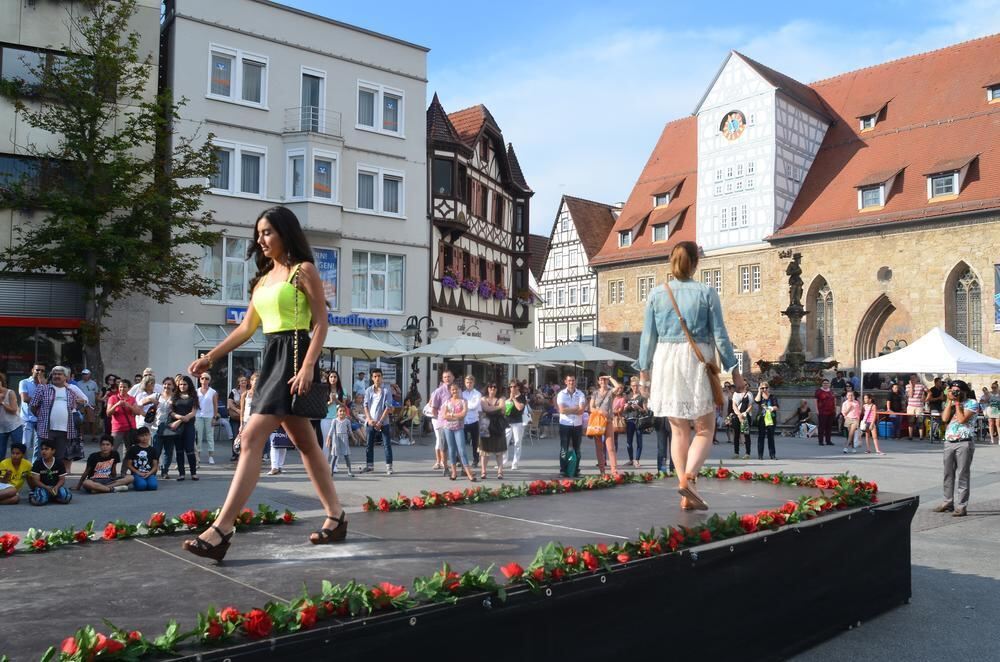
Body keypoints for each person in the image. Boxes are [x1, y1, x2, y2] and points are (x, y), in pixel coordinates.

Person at [183, 206, 346, 560]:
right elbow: (246, 328)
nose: (261, 239)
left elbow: (321, 323)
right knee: (305, 443)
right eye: (258, 233)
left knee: (253, 436)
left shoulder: (304, 271)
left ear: (285, 233)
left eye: (268, 232)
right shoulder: (262, 281)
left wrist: (307, 367)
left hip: (295, 356)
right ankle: (336, 515)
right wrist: (210, 356)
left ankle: (222, 528)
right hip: (273, 358)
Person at [637, 242, 744, 511]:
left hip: (665, 360)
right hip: (698, 359)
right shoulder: (706, 292)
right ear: (696, 263)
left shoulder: (657, 294)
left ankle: (687, 492)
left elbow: (647, 337)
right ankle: (690, 478)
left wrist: (644, 375)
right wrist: (735, 370)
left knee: (678, 430)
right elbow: (720, 335)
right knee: (705, 428)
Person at [933, 380, 979, 517]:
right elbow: (945, 418)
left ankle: (961, 506)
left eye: (957, 391)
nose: (954, 393)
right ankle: (947, 502)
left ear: (964, 391)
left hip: (964, 442)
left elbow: (962, 419)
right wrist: (949, 402)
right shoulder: (951, 402)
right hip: (949, 441)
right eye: (952, 390)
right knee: (948, 474)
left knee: (963, 475)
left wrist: (957, 403)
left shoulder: (972, 403)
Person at [30, 366, 88, 474]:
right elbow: (33, 406)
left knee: (59, 457)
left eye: (59, 374)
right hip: (46, 430)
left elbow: (83, 402)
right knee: (42, 456)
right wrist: (42, 418)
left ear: (66, 377)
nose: (56, 376)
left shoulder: (71, 391)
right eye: (55, 374)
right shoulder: (43, 388)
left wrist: (82, 402)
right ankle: (38, 481)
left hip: (65, 430)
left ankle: (55, 481)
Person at [362, 368, 394, 475]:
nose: (377, 378)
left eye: (379, 376)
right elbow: (365, 406)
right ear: (372, 378)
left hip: (383, 422)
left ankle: (389, 466)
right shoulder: (368, 390)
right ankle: (369, 466)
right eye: (375, 376)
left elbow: (388, 406)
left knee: (386, 444)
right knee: (369, 444)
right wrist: (369, 419)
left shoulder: (387, 390)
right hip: (371, 421)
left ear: (382, 377)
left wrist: (380, 421)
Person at [442, 382, 475, 482]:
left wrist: (451, 415)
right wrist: (456, 415)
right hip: (448, 428)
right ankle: (454, 472)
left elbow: (463, 414)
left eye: (456, 389)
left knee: (462, 450)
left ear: (459, 390)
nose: (455, 391)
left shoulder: (463, 401)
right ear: (450, 391)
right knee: (451, 450)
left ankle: (469, 473)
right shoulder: (447, 401)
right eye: (452, 390)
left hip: (459, 428)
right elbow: (444, 416)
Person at [556, 375, 586, 477]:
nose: (571, 382)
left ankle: (576, 469)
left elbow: (581, 410)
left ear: (575, 381)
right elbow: (561, 410)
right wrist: (575, 409)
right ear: (565, 381)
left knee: (577, 448)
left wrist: (568, 409)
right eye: (569, 380)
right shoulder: (561, 394)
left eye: (573, 380)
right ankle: (562, 470)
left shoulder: (580, 394)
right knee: (564, 449)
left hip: (577, 425)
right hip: (565, 424)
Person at [590, 373, 619, 476]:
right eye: (601, 380)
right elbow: (591, 408)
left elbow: (618, 387)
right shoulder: (595, 393)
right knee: (599, 447)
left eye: (605, 380)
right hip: (598, 421)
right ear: (598, 381)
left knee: (610, 447)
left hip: (608, 421)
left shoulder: (610, 392)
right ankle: (602, 471)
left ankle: (614, 470)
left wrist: (610, 377)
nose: (603, 382)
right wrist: (600, 412)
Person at [170, 375, 199, 481]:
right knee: (179, 450)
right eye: (181, 384)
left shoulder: (193, 396)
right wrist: (179, 418)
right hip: (177, 427)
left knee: (190, 449)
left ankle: (193, 473)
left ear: (189, 385)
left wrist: (184, 418)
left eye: (184, 384)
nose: (182, 386)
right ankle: (181, 473)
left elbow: (194, 412)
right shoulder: (175, 397)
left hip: (189, 426)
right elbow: (171, 412)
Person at [28, 439, 72, 505]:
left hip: (55, 487)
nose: (44, 451)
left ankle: (51, 497)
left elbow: (62, 479)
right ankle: (33, 495)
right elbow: (36, 481)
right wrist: (46, 487)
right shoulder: (37, 463)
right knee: (40, 500)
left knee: (66, 497)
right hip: (43, 487)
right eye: (42, 449)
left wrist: (56, 487)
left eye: (46, 449)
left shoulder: (59, 463)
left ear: (53, 451)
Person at [107, 379, 141, 461]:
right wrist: (116, 405)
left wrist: (129, 406)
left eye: (124, 387)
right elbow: (108, 413)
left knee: (128, 452)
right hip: (117, 429)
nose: (122, 389)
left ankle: (123, 472)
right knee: (111, 451)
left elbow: (137, 412)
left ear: (129, 388)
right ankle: (110, 470)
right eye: (120, 387)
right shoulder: (113, 398)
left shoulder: (132, 399)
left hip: (130, 429)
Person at [479, 383, 508, 479]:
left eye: (495, 387)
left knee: (499, 450)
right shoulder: (483, 398)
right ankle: (483, 472)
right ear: (487, 388)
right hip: (485, 425)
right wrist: (498, 407)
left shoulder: (502, 398)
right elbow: (486, 408)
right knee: (484, 451)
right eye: (491, 387)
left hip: (498, 425)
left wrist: (492, 409)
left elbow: (504, 409)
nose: (492, 388)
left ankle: (500, 472)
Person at [19, 363, 46, 462]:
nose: (40, 372)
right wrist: (41, 400)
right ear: (32, 370)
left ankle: (35, 466)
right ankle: (24, 464)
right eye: (37, 370)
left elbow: (48, 399)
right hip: (27, 418)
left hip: (40, 418)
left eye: (42, 371)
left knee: (38, 445)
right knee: (25, 444)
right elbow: (25, 398)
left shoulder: (45, 384)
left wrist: (42, 384)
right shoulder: (24, 382)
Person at [152, 378, 177, 478]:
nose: (167, 386)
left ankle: (165, 470)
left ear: (173, 386)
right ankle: (153, 471)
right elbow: (140, 402)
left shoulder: (176, 398)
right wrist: (151, 403)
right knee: (156, 451)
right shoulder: (157, 396)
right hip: (157, 427)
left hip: (170, 427)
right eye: (165, 384)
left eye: (169, 384)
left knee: (168, 451)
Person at [429, 370, 454, 471]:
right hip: (440, 420)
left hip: (453, 420)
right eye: (445, 377)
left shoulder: (455, 390)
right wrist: (440, 421)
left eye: (449, 376)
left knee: (450, 442)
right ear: (442, 379)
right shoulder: (438, 391)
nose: (447, 379)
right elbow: (434, 408)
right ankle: (439, 462)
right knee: (440, 441)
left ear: (453, 377)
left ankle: (447, 462)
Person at [194, 373, 219, 465]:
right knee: (198, 437)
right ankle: (198, 456)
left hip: (209, 416)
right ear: (200, 380)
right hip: (198, 416)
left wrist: (214, 417)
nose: (204, 380)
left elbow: (215, 406)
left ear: (209, 380)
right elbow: (194, 404)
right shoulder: (196, 391)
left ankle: (211, 456)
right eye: (202, 378)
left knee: (210, 436)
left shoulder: (213, 392)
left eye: (206, 378)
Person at [124, 427, 159, 491]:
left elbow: (155, 465)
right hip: (137, 473)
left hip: (149, 473)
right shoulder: (133, 449)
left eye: (146, 435)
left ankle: (146, 481)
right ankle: (138, 482)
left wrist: (150, 473)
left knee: (153, 486)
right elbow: (129, 465)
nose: (144, 437)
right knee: (141, 486)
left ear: (149, 435)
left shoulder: (153, 449)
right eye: (142, 436)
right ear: (138, 437)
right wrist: (138, 472)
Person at [623, 376, 647, 468]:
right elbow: (624, 411)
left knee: (639, 441)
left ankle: (636, 460)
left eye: (636, 386)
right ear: (631, 386)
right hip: (630, 421)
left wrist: (639, 408)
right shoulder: (629, 397)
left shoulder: (642, 398)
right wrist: (626, 407)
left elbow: (646, 411)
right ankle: (630, 459)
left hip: (639, 421)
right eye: (633, 386)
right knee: (629, 442)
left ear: (639, 386)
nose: (635, 388)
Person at [0, 372, 24, 459]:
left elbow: (14, 410)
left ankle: (20, 470)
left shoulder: (10, 393)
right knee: (0, 453)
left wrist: (2, 403)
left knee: (18, 449)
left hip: (14, 425)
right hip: (1, 428)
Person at [503, 381, 527, 470]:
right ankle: (503, 461)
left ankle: (515, 463)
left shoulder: (522, 397)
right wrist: (509, 399)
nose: (512, 388)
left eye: (514, 386)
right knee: (505, 442)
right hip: (507, 422)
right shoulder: (508, 396)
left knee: (517, 442)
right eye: (510, 387)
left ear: (518, 387)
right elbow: (504, 409)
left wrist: (513, 399)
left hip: (517, 422)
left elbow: (520, 407)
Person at [325, 404, 354, 477]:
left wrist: (353, 438)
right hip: (336, 439)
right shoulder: (334, 420)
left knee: (346, 456)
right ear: (337, 413)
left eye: (344, 411)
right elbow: (331, 430)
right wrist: (328, 439)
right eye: (340, 411)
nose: (342, 412)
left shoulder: (347, 421)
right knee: (334, 456)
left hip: (344, 439)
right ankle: (331, 472)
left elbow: (350, 431)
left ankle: (349, 471)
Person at [755, 382, 779, 460]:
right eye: (762, 388)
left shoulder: (772, 397)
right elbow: (757, 401)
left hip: (771, 419)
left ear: (769, 388)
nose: (764, 389)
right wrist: (759, 391)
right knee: (761, 436)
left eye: (766, 388)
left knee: (771, 437)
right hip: (762, 419)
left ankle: (772, 455)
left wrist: (771, 408)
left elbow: (777, 407)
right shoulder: (760, 396)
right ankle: (760, 455)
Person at [462, 375, 482, 465]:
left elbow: (475, 406)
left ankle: (476, 460)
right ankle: (460, 459)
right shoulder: (462, 394)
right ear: (465, 383)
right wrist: (467, 405)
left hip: (474, 420)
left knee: (475, 442)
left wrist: (465, 405)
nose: (469, 384)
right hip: (464, 420)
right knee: (462, 441)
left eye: (470, 382)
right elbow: (460, 406)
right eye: (467, 382)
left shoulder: (477, 394)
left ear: (473, 383)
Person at [227, 375, 248, 461]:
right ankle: (235, 454)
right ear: (238, 383)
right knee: (236, 435)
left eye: (245, 381)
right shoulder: (234, 392)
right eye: (241, 381)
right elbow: (230, 403)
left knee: (246, 436)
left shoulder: (249, 392)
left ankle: (244, 454)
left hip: (246, 417)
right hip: (235, 417)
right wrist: (237, 410)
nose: (243, 382)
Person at [76, 369, 100, 442]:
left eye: (86, 374)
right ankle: (81, 436)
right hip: (81, 405)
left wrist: (96, 405)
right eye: (83, 374)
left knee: (92, 421)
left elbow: (96, 394)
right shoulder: (78, 383)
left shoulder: (93, 383)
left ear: (89, 375)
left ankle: (94, 436)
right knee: (81, 421)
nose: (85, 375)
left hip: (91, 404)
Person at [730, 382, 752, 458]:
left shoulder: (749, 394)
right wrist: (739, 415)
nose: (745, 386)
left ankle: (747, 453)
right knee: (736, 434)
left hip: (745, 416)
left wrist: (745, 413)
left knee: (746, 435)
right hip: (737, 416)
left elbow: (750, 406)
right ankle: (736, 453)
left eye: (746, 384)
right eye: (744, 384)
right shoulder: (736, 394)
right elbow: (734, 405)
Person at [814, 378, 836, 447]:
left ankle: (828, 440)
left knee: (829, 427)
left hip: (831, 411)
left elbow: (834, 399)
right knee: (822, 427)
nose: (825, 384)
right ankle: (821, 441)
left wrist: (835, 408)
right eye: (824, 383)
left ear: (829, 384)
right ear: (822, 384)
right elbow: (815, 401)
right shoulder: (819, 391)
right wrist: (816, 410)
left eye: (827, 383)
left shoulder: (831, 391)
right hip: (822, 411)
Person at [905, 374, 927, 441]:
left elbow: (929, 392)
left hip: (919, 406)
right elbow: (910, 395)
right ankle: (910, 436)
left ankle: (921, 436)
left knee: (920, 421)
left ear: (917, 378)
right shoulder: (908, 386)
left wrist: (925, 399)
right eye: (911, 378)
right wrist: (911, 386)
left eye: (914, 378)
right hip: (911, 406)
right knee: (910, 421)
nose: (912, 379)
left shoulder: (921, 385)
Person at [984, 381, 1000, 445]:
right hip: (990, 410)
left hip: (998, 410)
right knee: (990, 424)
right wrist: (987, 398)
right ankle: (992, 439)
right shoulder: (989, 394)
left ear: (997, 387)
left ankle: (999, 439)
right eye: (992, 387)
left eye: (995, 387)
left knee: (998, 425)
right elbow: (985, 401)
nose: (993, 388)